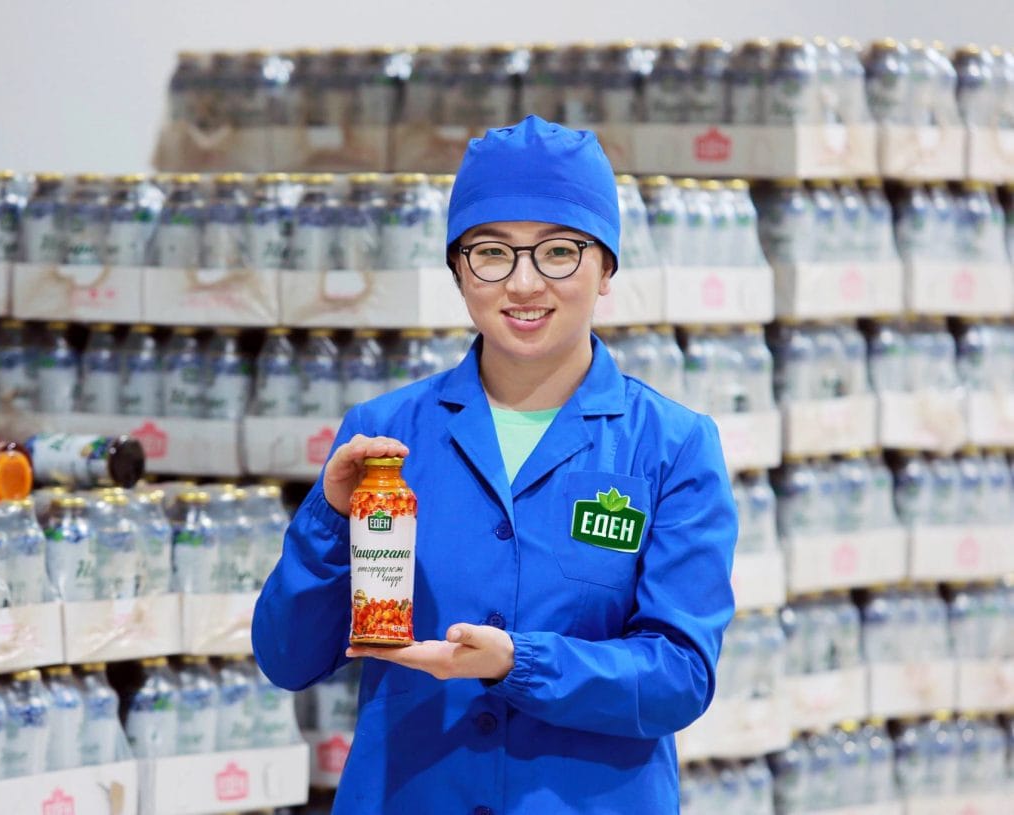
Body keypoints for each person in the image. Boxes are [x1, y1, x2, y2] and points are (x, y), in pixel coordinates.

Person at [253, 115, 737, 813]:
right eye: (491, 252)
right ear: (457, 267)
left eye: (559, 252)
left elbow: (680, 676)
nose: (523, 283)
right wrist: (327, 522)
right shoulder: (384, 436)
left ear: (606, 268)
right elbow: (288, 657)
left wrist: (522, 663)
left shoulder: (668, 445)